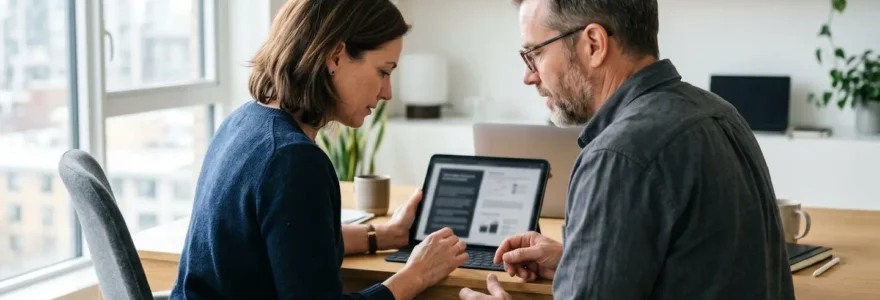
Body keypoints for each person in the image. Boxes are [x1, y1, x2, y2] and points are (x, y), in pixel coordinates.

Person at [460, 0, 795, 299]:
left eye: (535, 54)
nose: (528, 77)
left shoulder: (618, 155)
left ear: (593, 44)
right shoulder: (720, 112)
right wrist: (581, 261)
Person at [169, 1, 469, 299]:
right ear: (335, 57)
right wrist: (416, 274)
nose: (387, 93)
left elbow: (294, 243)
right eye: (384, 71)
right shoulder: (293, 160)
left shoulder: (243, 121)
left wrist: (385, 235)